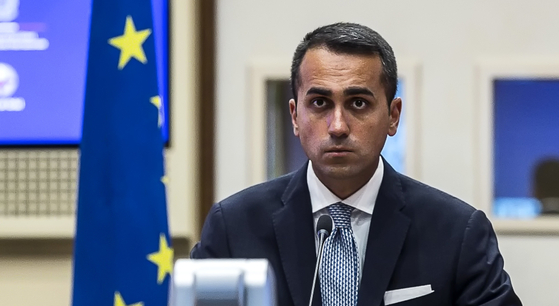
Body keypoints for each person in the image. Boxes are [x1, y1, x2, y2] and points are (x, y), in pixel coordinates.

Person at [191, 22, 521, 306]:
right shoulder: (234, 228)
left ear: (393, 116)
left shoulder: (457, 232)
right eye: (320, 103)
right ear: (294, 116)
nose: (337, 126)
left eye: (358, 103)